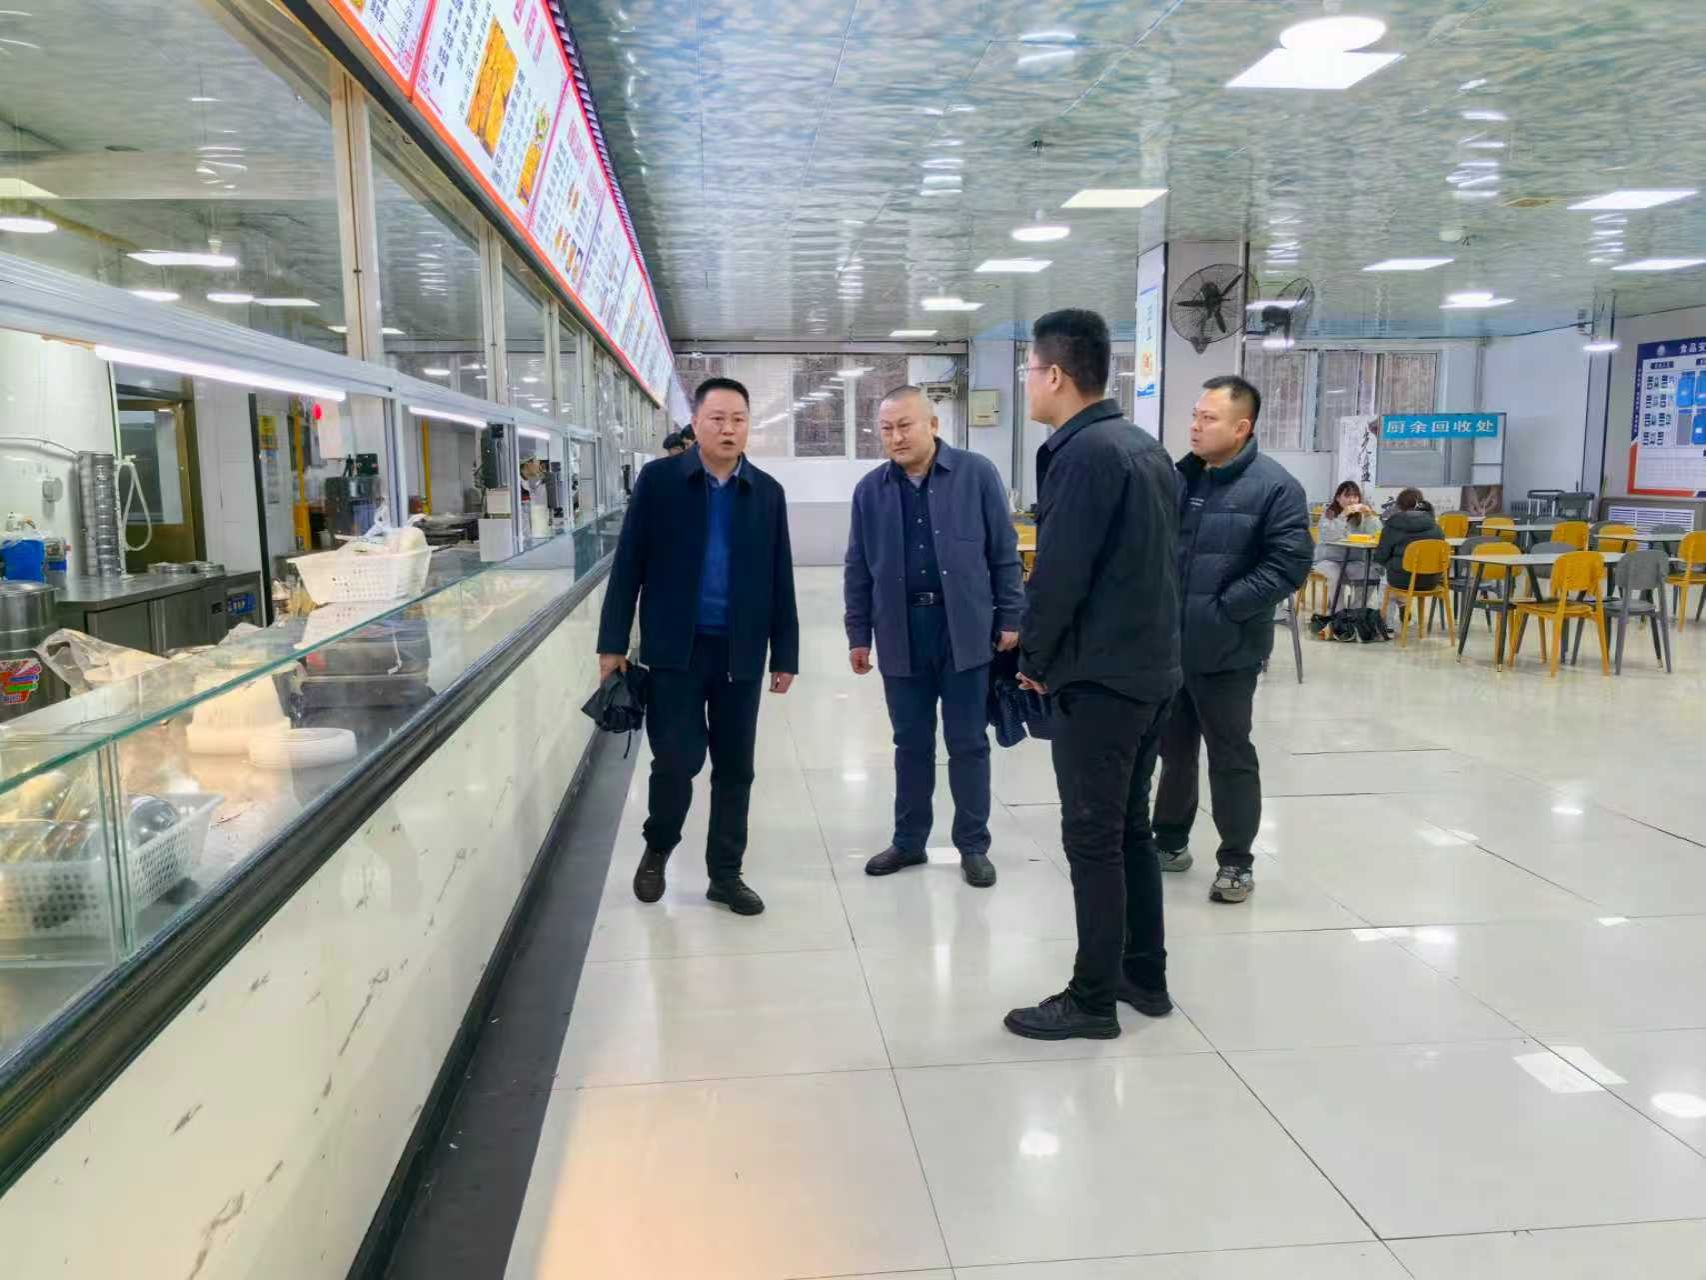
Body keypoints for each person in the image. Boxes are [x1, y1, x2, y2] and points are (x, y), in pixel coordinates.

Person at [1002, 309, 1182, 1042]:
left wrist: (1032, 663)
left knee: (1094, 840)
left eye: (1029, 371)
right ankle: (1144, 975)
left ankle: (1092, 999)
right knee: (1130, 829)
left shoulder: (1080, 456)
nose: (1026, 384)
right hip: (1152, 673)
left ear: (1054, 374)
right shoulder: (1145, 447)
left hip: (1101, 682)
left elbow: (1060, 576)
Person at [597, 377, 799, 917]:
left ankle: (725, 875)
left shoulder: (767, 493)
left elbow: (780, 578)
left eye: (739, 420)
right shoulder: (660, 482)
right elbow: (629, 564)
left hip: (740, 653)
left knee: (735, 768)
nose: (729, 429)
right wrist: (612, 642)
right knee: (676, 759)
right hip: (674, 651)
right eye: (717, 419)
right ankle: (658, 847)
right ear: (696, 424)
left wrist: (785, 654)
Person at [844, 386, 1023, 889]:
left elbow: (1003, 551)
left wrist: (1011, 616)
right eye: (886, 429)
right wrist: (858, 633)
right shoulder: (870, 491)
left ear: (933, 425)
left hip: (964, 630)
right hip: (900, 632)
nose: (896, 437)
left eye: (905, 425)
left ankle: (973, 845)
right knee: (910, 742)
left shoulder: (976, 474)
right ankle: (909, 841)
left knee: (968, 742)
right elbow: (858, 567)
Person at [1154, 375, 1312, 905]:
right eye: (1195, 416)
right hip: (1171, 648)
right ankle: (1169, 841)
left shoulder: (1276, 487)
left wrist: (1225, 608)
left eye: (1209, 418)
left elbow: (1288, 564)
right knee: (1174, 752)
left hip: (1228, 649)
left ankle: (1237, 861)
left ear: (1241, 427)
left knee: (1230, 754)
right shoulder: (1180, 478)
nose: (1195, 426)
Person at [1374, 486, 1447, 616]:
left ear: (1399, 506)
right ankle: (1403, 605)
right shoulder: (1436, 527)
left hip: (1402, 580)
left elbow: (1381, 556)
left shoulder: (1392, 525)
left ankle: (1386, 623)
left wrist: (1390, 563)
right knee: (1394, 575)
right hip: (1431, 581)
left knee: (1386, 581)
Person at [1315, 480, 1382, 605]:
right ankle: (1338, 612)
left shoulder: (1361, 516)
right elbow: (1329, 536)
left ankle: (1355, 612)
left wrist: (1369, 516)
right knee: (1335, 575)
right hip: (1329, 559)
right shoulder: (1329, 513)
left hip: (1353, 560)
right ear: (1338, 498)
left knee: (1371, 575)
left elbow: (1377, 535)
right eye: (1347, 496)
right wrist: (1343, 515)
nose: (1352, 500)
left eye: (1355, 497)